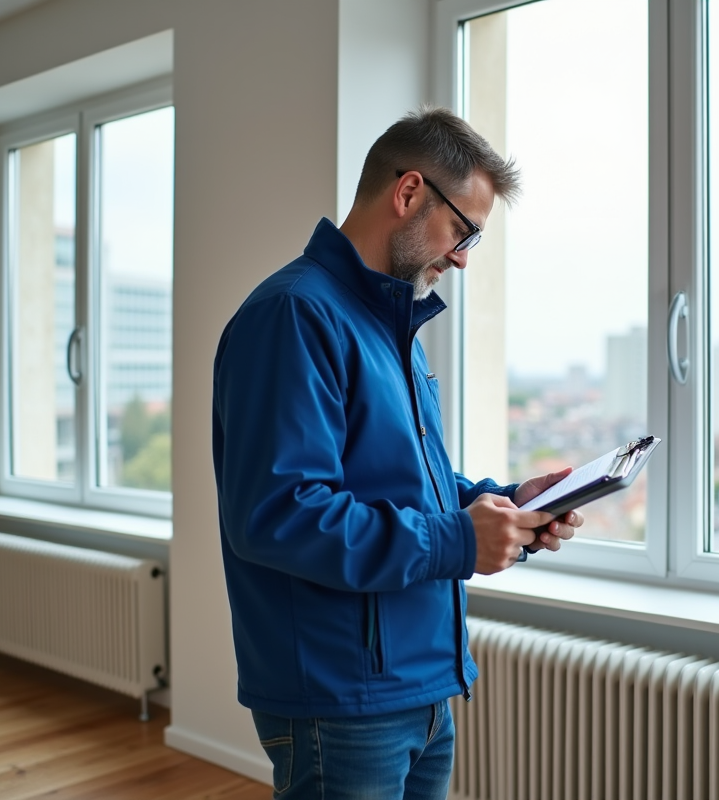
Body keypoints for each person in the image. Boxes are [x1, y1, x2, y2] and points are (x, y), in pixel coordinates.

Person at [211, 106, 583, 800]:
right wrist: (456, 540)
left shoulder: (389, 325)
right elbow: (280, 514)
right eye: (464, 230)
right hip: (340, 694)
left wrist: (501, 506)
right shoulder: (295, 315)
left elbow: (404, 483)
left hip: (420, 682)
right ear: (409, 192)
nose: (465, 256)